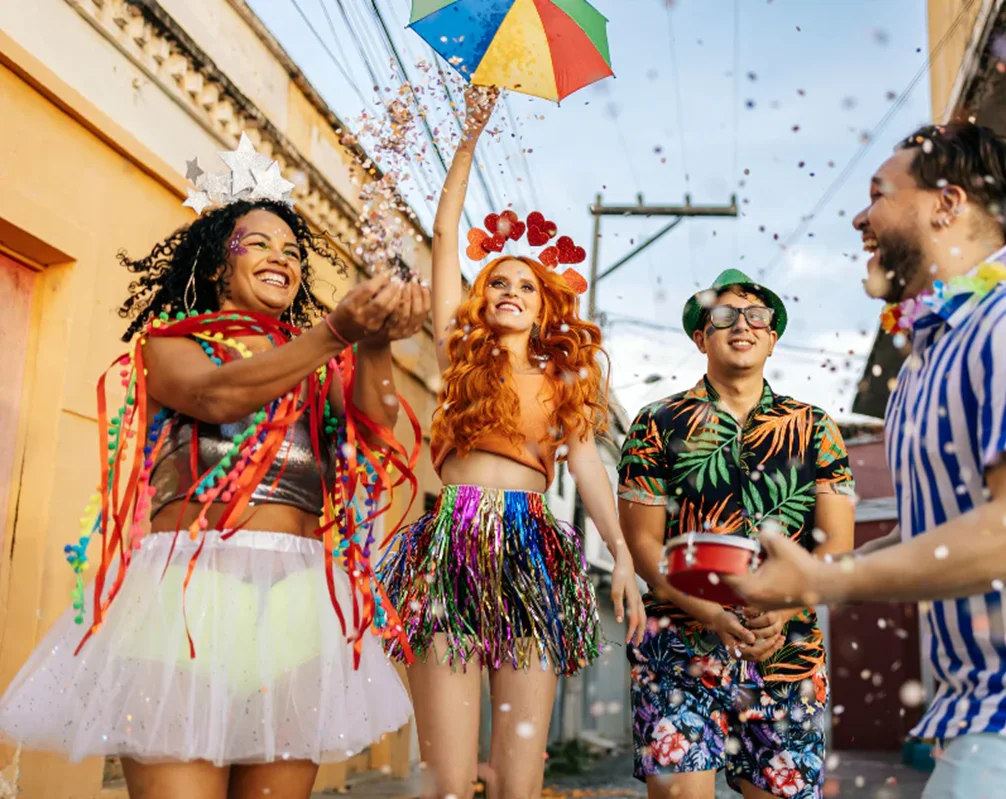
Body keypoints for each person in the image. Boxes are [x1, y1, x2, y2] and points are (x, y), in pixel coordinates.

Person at [726, 123, 1006, 799]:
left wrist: (830, 582)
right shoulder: (921, 370)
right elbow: (949, 536)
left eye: (879, 193)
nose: (859, 216)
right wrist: (809, 580)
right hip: (984, 703)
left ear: (947, 202)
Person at [0, 137, 431, 799]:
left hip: (297, 600)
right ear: (214, 264)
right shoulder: (170, 346)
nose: (280, 257)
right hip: (185, 596)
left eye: (291, 250)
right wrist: (335, 335)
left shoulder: (323, 360)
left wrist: (372, 341)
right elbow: (216, 395)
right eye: (258, 243)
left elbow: (375, 432)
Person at [376, 85, 645, 799]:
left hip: (531, 550)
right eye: (498, 281)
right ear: (481, 296)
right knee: (449, 778)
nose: (510, 290)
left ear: (544, 301)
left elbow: (587, 463)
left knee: (522, 779)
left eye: (525, 283)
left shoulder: (562, 381)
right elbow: (442, 237)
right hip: (452, 540)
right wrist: (467, 139)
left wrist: (620, 552)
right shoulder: (456, 354)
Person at [617, 268, 856, 799]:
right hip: (677, 651)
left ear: (772, 337)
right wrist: (710, 613)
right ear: (701, 336)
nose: (741, 324)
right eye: (723, 315)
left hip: (786, 652)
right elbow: (643, 546)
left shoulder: (816, 428)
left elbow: (836, 546)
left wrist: (787, 609)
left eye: (756, 316)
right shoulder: (656, 422)